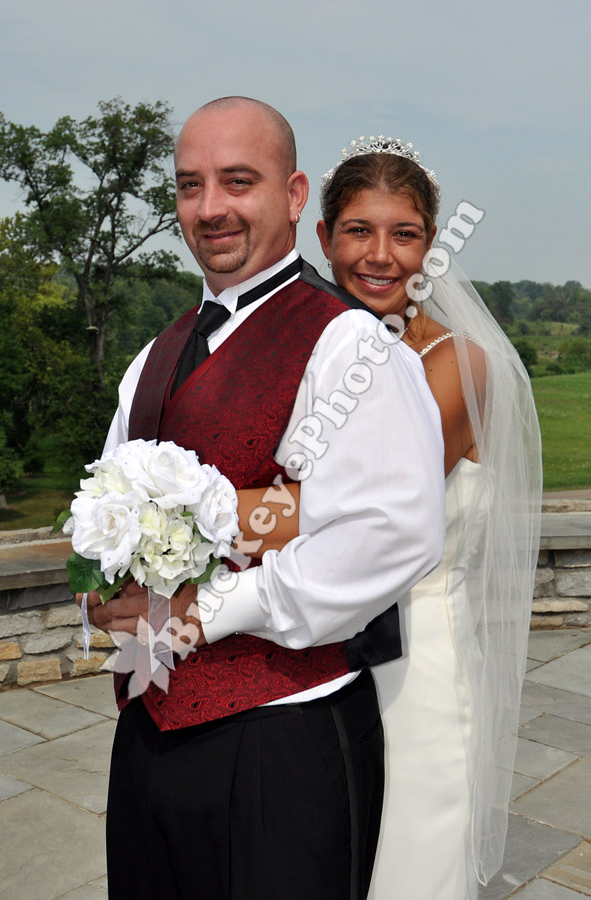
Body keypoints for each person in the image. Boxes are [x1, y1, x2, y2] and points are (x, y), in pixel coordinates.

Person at [80, 99, 446, 900]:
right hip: (147, 732)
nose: (210, 206)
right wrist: (102, 597)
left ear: (293, 195)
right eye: (190, 185)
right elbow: (106, 505)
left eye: (238, 181)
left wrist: (211, 608)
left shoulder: (350, 343)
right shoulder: (151, 356)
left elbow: (394, 529)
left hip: (284, 743)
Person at [254, 136, 541, 899]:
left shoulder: (457, 366)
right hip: (317, 657)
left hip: (415, 670)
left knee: (405, 867)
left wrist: (194, 511)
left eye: (404, 233)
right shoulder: (307, 353)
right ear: (324, 238)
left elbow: (344, 512)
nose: (380, 255)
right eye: (359, 230)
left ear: (432, 245)